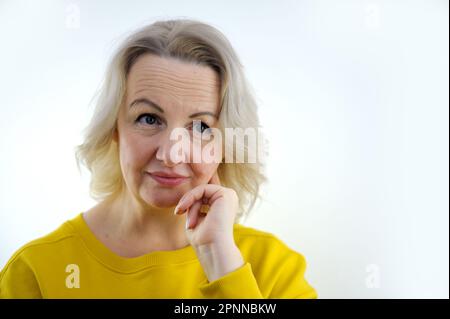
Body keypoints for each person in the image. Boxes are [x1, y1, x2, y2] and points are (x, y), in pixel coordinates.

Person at [0, 19, 317, 298]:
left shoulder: (273, 271)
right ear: (114, 127)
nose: (170, 154)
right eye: (149, 119)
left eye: (200, 127)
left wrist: (220, 260)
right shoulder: (37, 271)